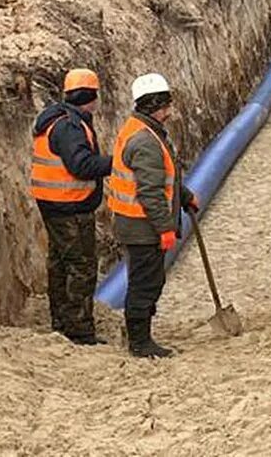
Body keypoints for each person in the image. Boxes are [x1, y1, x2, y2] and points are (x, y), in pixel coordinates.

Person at [107, 73, 199, 358]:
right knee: (145, 282)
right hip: (142, 226)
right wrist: (165, 229)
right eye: (168, 105)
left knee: (149, 279)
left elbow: (162, 178)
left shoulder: (143, 130)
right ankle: (140, 342)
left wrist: (184, 196)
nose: (171, 111)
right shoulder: (145, 141)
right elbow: (149, 192)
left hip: (138, 223)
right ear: (157, 105)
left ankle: (138, 333)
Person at [30, 68, 113, 345]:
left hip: (53, 204)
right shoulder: (69, 126)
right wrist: (117, 162)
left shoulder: (55, 119)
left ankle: (61, 320)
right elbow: (82, 165)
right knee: (81, 265)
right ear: (92, 96)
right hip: (69, 206)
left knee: (60, 262)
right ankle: (79, 330)